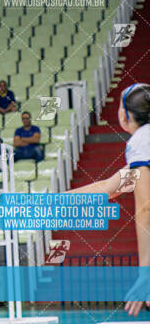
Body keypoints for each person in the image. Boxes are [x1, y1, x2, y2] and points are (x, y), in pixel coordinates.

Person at [66, 83, 150, 317]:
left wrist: (146, 273)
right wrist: (55, 202)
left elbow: (145, 208)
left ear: (126, 114)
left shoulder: (142, 141)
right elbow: (109, 188)